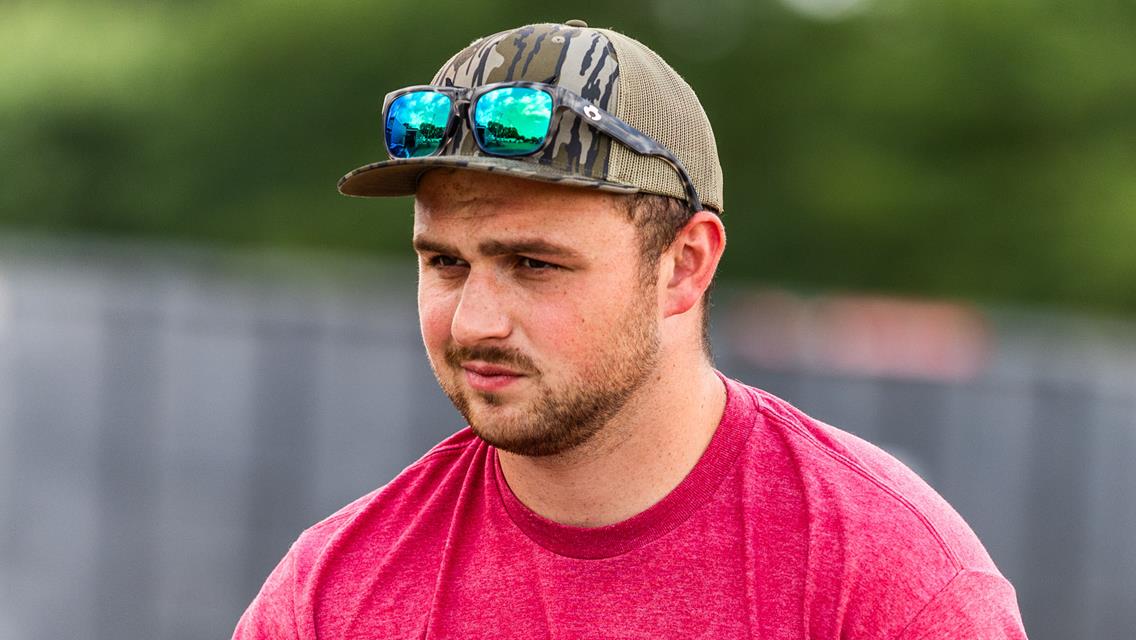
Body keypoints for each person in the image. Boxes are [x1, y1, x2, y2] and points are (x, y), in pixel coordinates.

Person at [233, 20, 1028, 639]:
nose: (475, 320)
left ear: (684, 264)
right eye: (445, 263)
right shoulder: (334, 594)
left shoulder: (886, 581)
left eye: (535, 265)